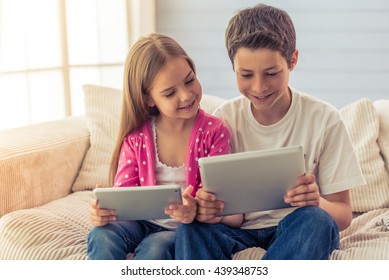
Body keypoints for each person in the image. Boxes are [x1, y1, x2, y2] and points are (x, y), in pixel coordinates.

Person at [175, 4, 365, 260]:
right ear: (233, 66)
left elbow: (342, 215)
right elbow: (229, 216)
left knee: (316, 220)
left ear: (293, 60)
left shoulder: (324, 119)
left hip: (299, 225)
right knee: (191, 230)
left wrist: (316, 201)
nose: (259, 87)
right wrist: (210, 210)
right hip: (239, 230)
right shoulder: (223, 119)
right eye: (245, 74)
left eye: (271, 73)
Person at [87, 33, 241, 260]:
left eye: (189, 80)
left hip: (181, 229)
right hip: (138, 223)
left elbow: (219, 199)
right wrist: (104, 211)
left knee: (155, 248)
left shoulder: (214, 132)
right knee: (101, 235)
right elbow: (124, 197)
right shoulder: (137, 138)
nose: (186, 95)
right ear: (149, 99)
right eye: (170, 93)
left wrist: (195, 209)